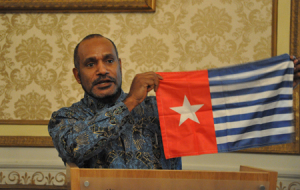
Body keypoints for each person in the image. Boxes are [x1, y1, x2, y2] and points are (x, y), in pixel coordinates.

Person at [48, 34, 300, 169]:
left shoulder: (160, 108)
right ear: (77, 75)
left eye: (109, 60)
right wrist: (129, 103)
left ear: (119, 65)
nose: (102, 69)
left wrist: (273, 88)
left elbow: (224, 112)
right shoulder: (66, 118)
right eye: (91, 64)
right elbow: (74, 148)